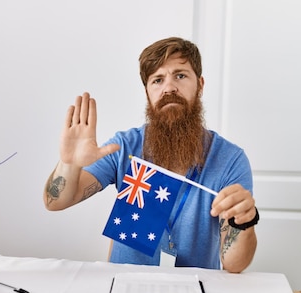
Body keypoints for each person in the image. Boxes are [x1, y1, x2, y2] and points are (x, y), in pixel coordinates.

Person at [43, 37, 258, 273]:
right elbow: (55, 202)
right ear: (147, 93)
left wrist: (245, 221)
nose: (169, 88)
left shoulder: (230, 159)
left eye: (180, 75)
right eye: (157, 80)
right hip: (124, 285)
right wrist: (69, 163)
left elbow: (234, 264)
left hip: (196, 291)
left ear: (201, 85)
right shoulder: (125, 146)